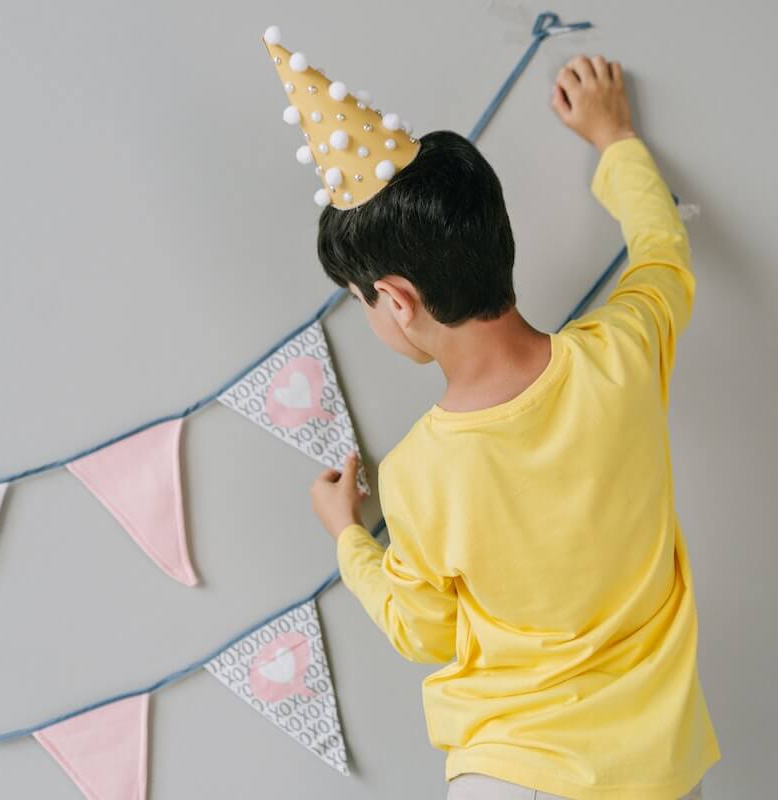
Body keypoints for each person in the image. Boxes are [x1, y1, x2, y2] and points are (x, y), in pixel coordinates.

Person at [309, 53, 721, 799]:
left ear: (397, 299)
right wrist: (614, 135)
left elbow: (422, 630)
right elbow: (664, 252)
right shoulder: (625, 352)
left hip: (512, 770)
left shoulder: (417, 474)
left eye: (359, 300)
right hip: (658, 769)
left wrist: (348, 536)